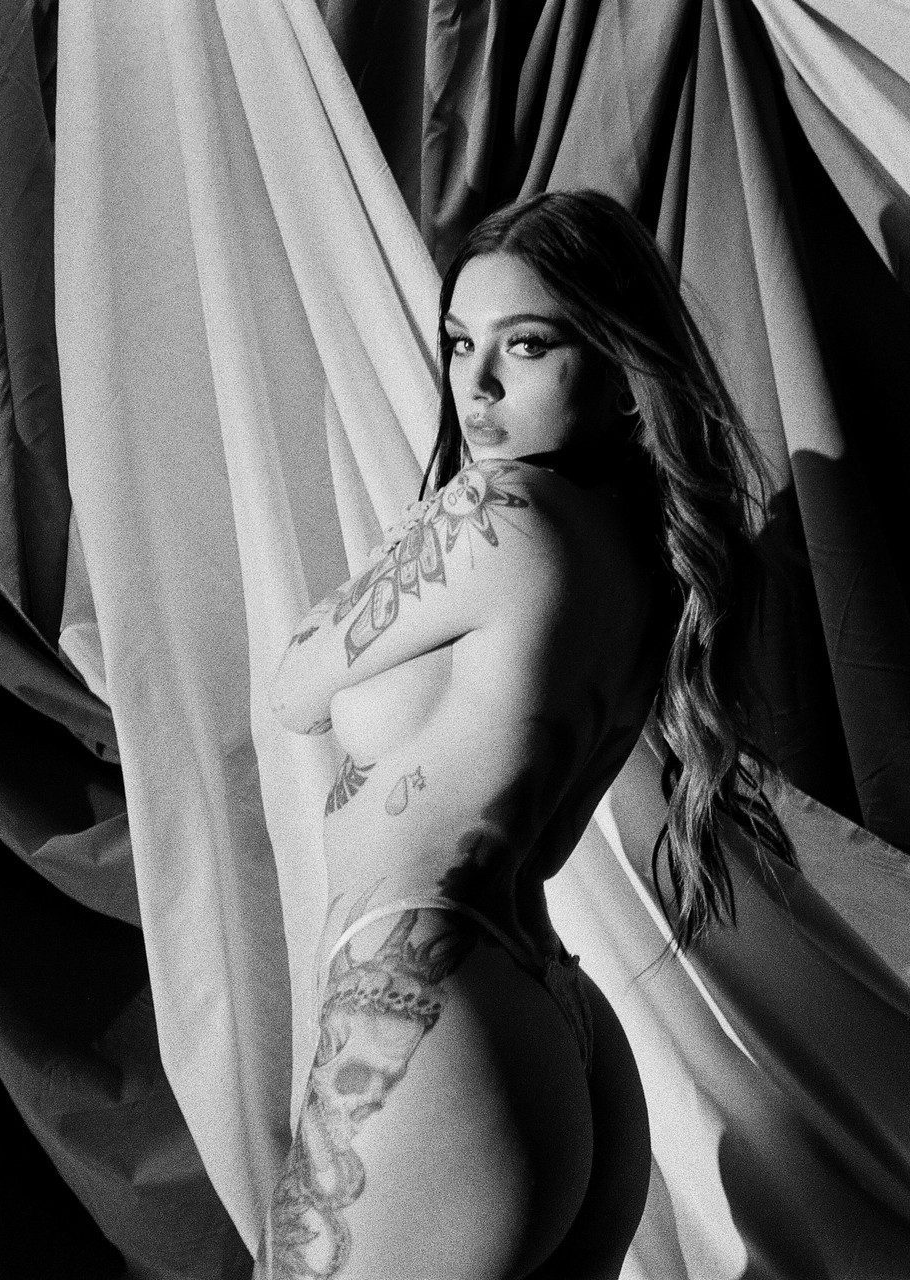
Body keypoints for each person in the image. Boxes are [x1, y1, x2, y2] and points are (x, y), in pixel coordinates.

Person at [264, 189, 787, 1279]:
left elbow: (292, 686)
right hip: (558, 1028)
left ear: (618, 364)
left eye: (528, 345)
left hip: (429, 1010)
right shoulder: (649, 560)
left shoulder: (494, 512)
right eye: (462, 344)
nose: (480, 385)